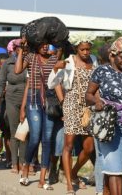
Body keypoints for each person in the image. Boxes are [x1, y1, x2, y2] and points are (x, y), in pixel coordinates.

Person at [85, 37, 122, 195]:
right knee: (115, 170)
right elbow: (88, 95)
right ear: (113, 55)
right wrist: (97, 102)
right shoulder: (102, 71)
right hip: (108, 126)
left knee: (115, 168)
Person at [48, 33, 98, 194]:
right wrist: (56, 69)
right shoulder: (69, 61)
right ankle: (70, 183)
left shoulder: (94, 60)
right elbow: (52, 84)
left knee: (89, 148)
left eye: (88, 49)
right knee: (68, 145)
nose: (85, 52)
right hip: (71, 105)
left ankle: (74, 172)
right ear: (76, 49)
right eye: (82, 49)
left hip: (89, 108)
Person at [15, 38, 58, 190]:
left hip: (50, 101)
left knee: (47, 140)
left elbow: (58, 80)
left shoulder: (54, 58)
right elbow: (17, 70)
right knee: (34, 136)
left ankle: (42, 179)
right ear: (36, 45)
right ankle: (26, 166)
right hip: (33, 99)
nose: (45, 47)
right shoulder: (31, 57)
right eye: (42, 44)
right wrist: (21, 49)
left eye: (47, 44)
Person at [0, 43, 27, 173]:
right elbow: (1, 82)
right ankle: (15, 163)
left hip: (27, 100)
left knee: (24, 133)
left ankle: (23, 162)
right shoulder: (7, 64)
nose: (22, 51)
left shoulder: (30, 62)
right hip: (12, 100)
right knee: (14, 132)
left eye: (25, 49)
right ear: (14, 50)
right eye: (19, 48)